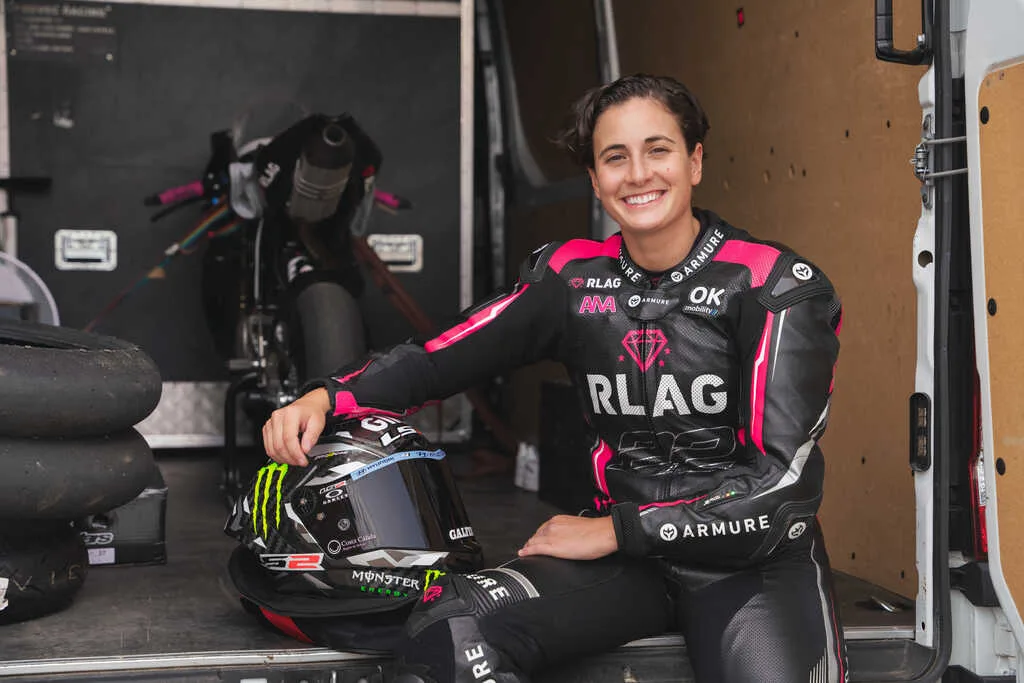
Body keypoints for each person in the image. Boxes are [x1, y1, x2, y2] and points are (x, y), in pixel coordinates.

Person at [262, 74, 848, 683]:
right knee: (450, 630)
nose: (639, 174)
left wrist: (617, 529)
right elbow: (440, 356)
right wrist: (329, 394)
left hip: (748, 565)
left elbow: (786, 488)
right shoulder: (571, 278)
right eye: (615, 158)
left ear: (695, 161)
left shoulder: (775, 286)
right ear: (595, 182)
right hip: (623, 564)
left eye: (659, 149)